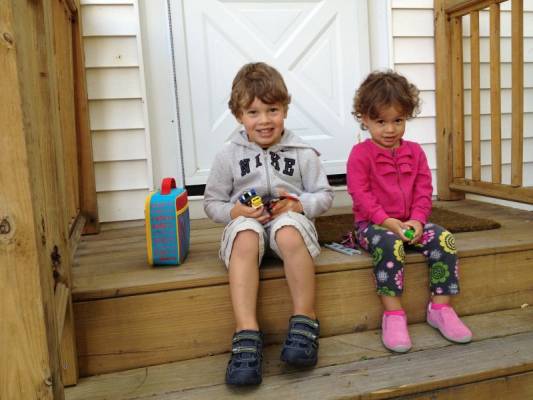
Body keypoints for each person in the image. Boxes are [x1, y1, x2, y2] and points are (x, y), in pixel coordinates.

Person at [204, 62, 334, 385]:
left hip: (287, 225)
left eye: (272, 110)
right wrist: (235, 212)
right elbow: (211, 203)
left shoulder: (303, 152)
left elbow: (324, 195)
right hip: (247, 226)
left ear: (285, 110)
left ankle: (305, 318)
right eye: (253, 112)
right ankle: (246, 331)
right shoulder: (227, 155)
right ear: (239, 116)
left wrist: (298, 204)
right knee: (246, 237)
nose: (264, 120)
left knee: (288, 232)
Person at [346, 70, 472, 353]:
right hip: (373, 226)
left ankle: (440, 309)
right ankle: (393, 314)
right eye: (381, 121)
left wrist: (417, 220)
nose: (390, 129)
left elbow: (424, 191)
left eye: (398, 120)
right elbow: (361, 195)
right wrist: (387, 222)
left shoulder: (415, 152)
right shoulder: (360, 155)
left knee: (444, 239)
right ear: (364, 119)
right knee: (390, 245)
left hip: (411, 223)